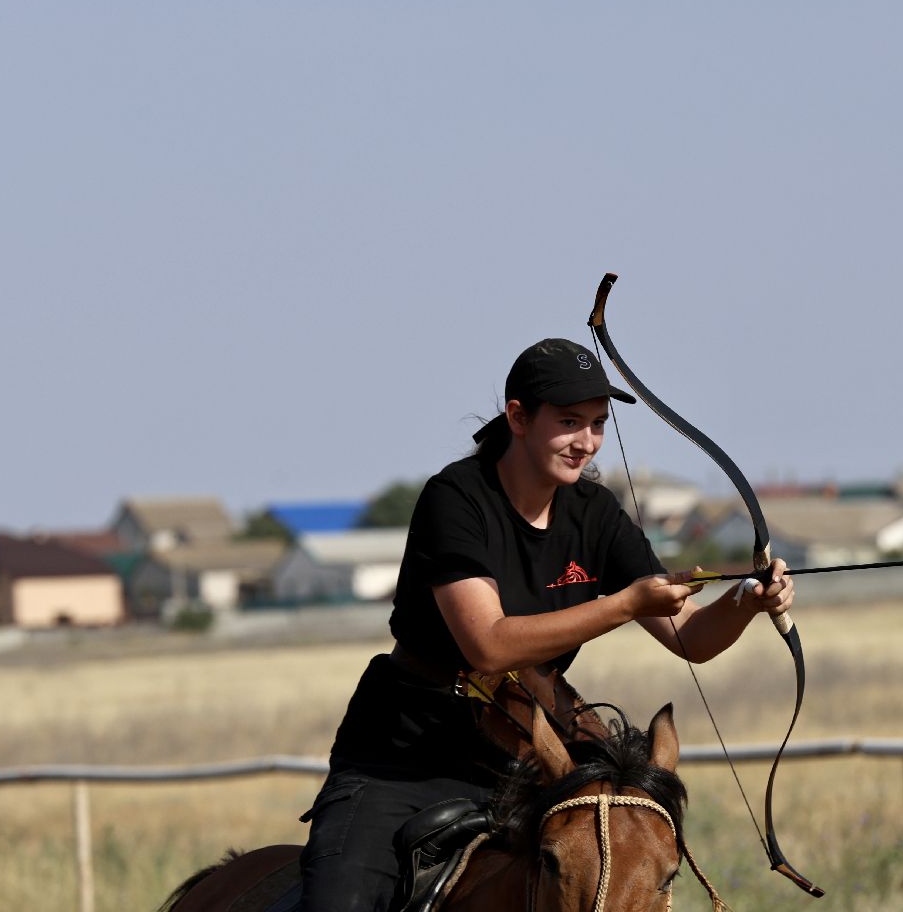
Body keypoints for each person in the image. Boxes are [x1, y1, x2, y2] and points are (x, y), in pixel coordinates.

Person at [297, 337, 794, 912]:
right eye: (568, 422)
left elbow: (691, 637)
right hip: (402, 761)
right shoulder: (456, 500)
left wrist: (749, 600)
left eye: (597, 424)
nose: (586, 442)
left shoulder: (595, 513)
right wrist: (626, 604)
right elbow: (487, 645)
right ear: (518, 417)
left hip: (521, 763)